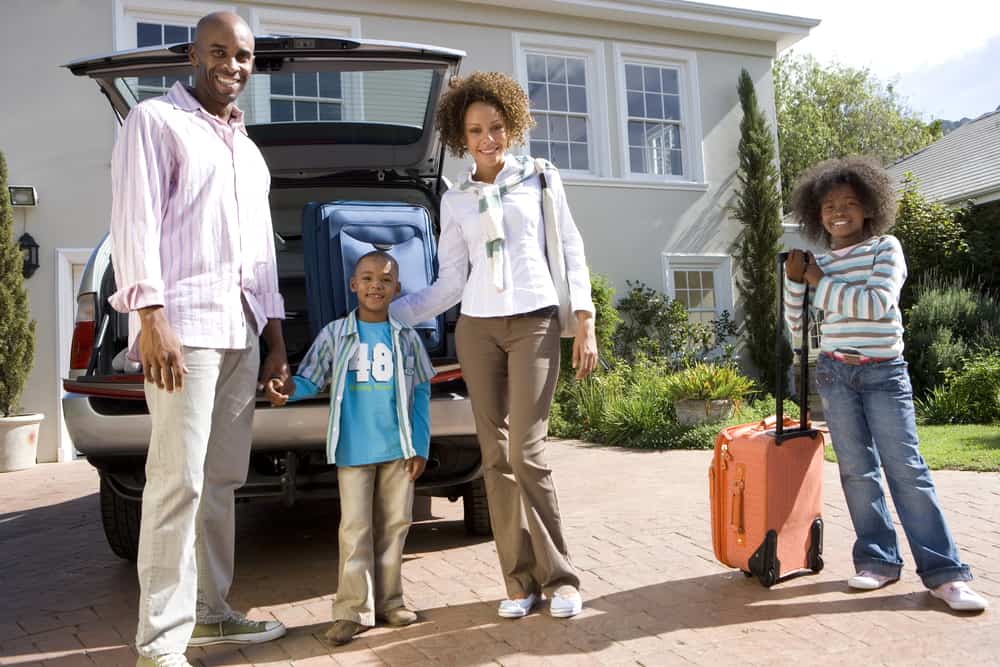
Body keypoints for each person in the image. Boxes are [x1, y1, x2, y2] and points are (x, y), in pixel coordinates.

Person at [109, 12, 290, 667]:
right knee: (175, 481)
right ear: (193, 53)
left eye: (243, 55)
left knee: (220, 480)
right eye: (219, 50)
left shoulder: (248, 148)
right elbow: (134, 223)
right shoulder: (154, 123)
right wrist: (149, 316)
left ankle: (211, 615)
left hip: (242, 329)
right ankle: (159, 644)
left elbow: (260, 256)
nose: (232, 64)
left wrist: (274, 340)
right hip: (183, 328)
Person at [389, 72, 597, 620]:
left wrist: (586, 318)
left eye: (497, 127)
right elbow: (450, 283)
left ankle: (562, 578)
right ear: (461, 136)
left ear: (513, 125)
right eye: (476, 130)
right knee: (496, 459)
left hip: (533, 323)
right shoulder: (455, 200)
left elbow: (570, 248)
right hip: (477, 329)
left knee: (528, 453)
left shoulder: (541, 180)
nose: (488, 138)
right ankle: (519, 582)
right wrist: (390, 313)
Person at [784, 156, 988, 612]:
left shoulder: (885, 248)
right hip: (835, 374)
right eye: (829, 204)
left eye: (850, 203)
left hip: (883, 373)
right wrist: (795, 283)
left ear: (869, 208)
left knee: (906, 471)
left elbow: (877, 304)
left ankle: (945, 575)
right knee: (857, 472)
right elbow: (796, 324)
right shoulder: (815, 262)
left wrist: (817, 280)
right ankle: (877, 560)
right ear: (816, 213)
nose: (839, 211)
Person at [266, 251, 434, 644]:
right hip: (353, 449)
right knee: (354, 529)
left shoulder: (407, 337)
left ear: (397, 288)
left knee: (395, 526)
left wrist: (420, 445)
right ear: (353, 285)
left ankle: (391, 602)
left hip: (399, 448)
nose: (376, 284)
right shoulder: (335, 334)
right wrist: (285, 393)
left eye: (386, 279)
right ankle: (352, 610)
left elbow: (422, 391)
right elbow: (310, 379)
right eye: (368, 277)